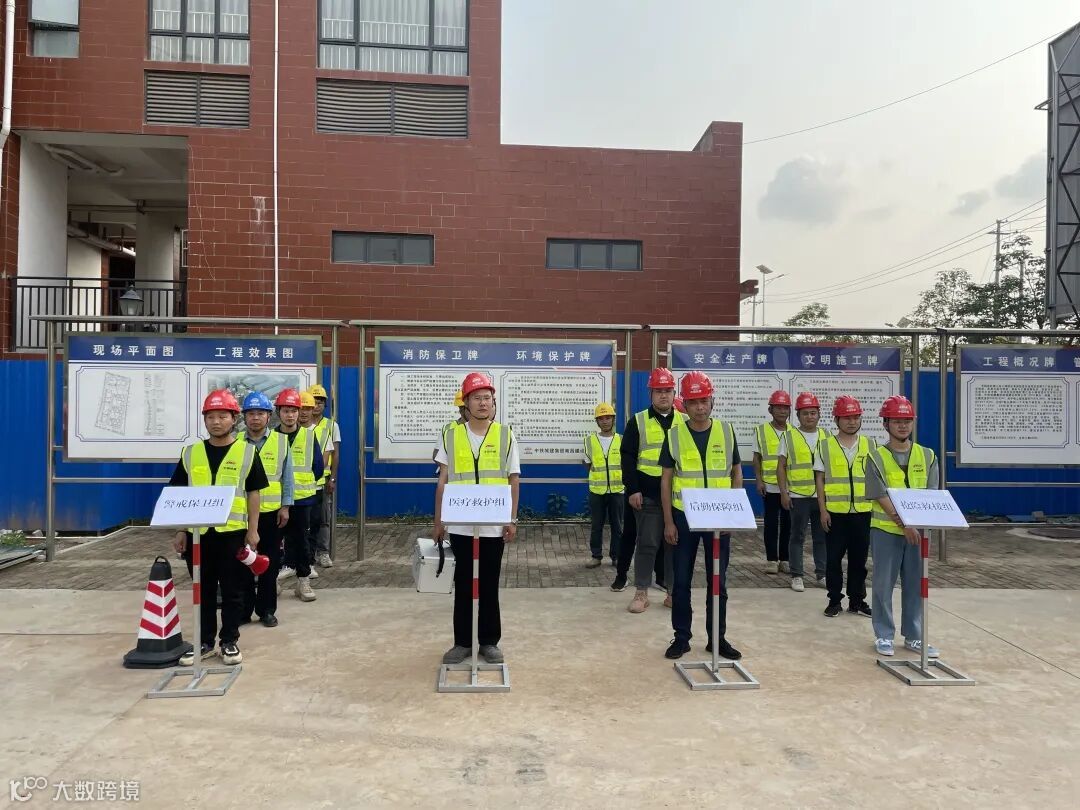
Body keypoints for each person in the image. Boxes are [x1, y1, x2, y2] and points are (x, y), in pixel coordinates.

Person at [170, 389, 267, 667]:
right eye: (211, 416)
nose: (216, 422)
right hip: (197, 535)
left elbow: (253, 493)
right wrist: (180, 530)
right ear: (204, 420)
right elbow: (179, 493)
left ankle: (229, 641)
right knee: (203, 590)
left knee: (234, 590)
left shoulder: (247, 452)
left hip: (232, 534)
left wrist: (253, 530)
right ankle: (204, 642)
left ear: (234, 419)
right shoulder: (191, 453)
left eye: (222, 416)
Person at [434, 372, 520, 666]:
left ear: (493, 403)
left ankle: (489, 642)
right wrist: (438, 521)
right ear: (466, 403)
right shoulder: (451, 435)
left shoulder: (506, 435)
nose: (483, 403)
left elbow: (513, 479)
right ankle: (462, 642)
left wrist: (512, 519)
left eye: (487, 398)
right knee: (462, 584)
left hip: (493, 525)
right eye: (477, 398)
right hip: (460, 524)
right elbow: (443, 480)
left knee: (489, 584)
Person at [660, 371, 743, 660]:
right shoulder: (674, 435)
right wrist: (668, 521)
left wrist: (732, 514)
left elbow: (736, 473)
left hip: (719, 518)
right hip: (684, 518)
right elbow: (666, 480)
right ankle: (681, 638)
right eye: (693, 402)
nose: (699, 407)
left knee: (718, 581)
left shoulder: (726, 431)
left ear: (712, 401)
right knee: (681, 581)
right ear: (685, 404)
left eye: (704, 401)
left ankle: (717, 639)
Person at [866, 395, 940, 658]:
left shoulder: (928, 455)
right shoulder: (875, 457)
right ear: (885, 424)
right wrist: (905, 523)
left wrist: (915, 525)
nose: (902, 425)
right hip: (886, 531)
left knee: (916, 584)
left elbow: (931, 494)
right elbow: (879, 494)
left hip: (919, 532)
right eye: (897, 421)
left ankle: (915, 636)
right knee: (883, 585)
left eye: (907, 420)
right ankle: (884, 635)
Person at [616, 367, 684, 611]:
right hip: (648, 495)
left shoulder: (684, 421)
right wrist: (633, 489)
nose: (663, 395)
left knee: (675, 545)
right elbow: (627, 457)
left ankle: (674, 592)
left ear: (674, 392)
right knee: (647, 543)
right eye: (658, 391)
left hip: (678, 496)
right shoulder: (638, 421)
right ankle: (641, 593)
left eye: (667, 390)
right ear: (651, 394)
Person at [814, 395, 875, 618]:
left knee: (859, 560)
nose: (852, 422)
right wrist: (822, 510)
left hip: (862, 512)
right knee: (833, 559)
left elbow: (876, 479)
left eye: (856, 417)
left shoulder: (870, 444)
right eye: (847, 417)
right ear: (836, 420)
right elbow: (819, 479)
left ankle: (857, 600)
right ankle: (834, 600)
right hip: (835, 513)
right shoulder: (825, 445)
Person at [238, 391, 292, 628]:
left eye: (260, 413)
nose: (255, 418)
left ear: (269, 416)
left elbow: (287, 479)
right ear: (244, 417)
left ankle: (267, 610)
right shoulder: (235, 443)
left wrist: (285, 507)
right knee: (243, 563)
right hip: (241, 515)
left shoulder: (281, 442)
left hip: (271, 514)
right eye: (251, 413)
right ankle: (243, 610)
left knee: (269, 564)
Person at [272, 388, 324, 602]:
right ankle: (271, 581)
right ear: (279, 412)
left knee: (301, 540)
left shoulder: (309, 436)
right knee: (273, 542)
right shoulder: (271, 437)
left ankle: (303, 581)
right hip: (274, 500)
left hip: (302, 499)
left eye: (294, 410)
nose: (290, 415)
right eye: (286, 411)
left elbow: (318, 467)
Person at [777, 392, 828, 592]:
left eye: (813, 413)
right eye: (805, 413)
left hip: (822, 497)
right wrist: (784, 492)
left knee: (821, 536)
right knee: (797, 536)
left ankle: (822, 574)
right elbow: (781, 467)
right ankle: (797, 575)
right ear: (797, 415)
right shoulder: (788, 436)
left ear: (819, 414)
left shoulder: (827, 436)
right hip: (798, 496)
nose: (809, 417)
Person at [752, 390, 793, 574]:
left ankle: (785, 559)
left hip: (790, 487)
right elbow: (757, 458)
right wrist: (759, 480)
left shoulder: (795, 432)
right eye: (778, 407)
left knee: (788, 523)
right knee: (770, 524)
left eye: (785, 408)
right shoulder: (761, 431)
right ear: (770, 410)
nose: (782, 411)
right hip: (769, 486)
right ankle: (771, 560)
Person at [582, 402, 623, 568]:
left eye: (608, 418)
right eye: (601, 418)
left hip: (617, 490)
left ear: (613, 419)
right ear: (597, 421)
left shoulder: (621, 440)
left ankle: (616, 556)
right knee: (596, 525)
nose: (605, 421)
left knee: (617, 526)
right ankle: (596, 556)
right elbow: (587, 463)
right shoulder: (589, 440)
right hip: (597, 491)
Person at [307, 383, 340, 569]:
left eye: (320, 402)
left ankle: (323, 553)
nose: (317, 405)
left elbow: (336, 453)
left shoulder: (331, 425)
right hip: (302, 482)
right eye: (314, 401)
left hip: (323, 480)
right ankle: (307, 554)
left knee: (323, 518)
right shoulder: (300, 425)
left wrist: (332, 478)